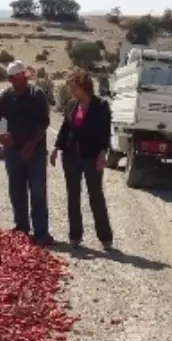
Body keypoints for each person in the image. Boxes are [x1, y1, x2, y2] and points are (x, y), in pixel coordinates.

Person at [0, 61, 53, 245]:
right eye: (19, 78)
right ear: (11, 80)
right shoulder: (5, 98)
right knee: (16, 191)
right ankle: (22, 227)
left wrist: (32, 144)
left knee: (38, 191)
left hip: (36, 152)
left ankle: (41, 232)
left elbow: (44, 123)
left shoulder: (37, 94)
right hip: (13, 152)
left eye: (25, 77)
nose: (24, 80)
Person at [50, 70, 114, 249]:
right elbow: (65, 128)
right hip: (71, 156)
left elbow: (105, 133)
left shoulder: (101, 106)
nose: (71, 91)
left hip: (92, 157)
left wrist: (103, 154)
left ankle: (105, 237)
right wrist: (56, 148)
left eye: (73, 87)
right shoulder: (71, 104)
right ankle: (75, 236)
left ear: (82, 87)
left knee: (96, 196)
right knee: (73, 196)